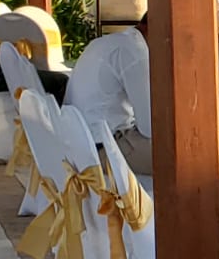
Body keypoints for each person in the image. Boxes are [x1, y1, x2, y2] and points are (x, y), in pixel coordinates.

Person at [66, 18, 153, 176]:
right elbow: (149, 127)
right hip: (103, 150)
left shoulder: (106, 43)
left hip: (80, 144)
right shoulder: (135, 51)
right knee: (186, 157)